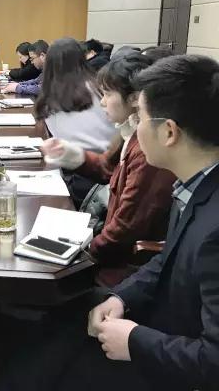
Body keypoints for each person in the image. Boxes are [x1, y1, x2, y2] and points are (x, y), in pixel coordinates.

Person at [1, 54, 219, 391]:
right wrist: (121, 298)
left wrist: (134, 340)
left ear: (169, 132)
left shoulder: (214, 226)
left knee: (49, 355)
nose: (134, 127)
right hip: (157, 325)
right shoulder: (193, 184)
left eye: (140, 117)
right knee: (53, 327)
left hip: (169, 357)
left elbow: (212, 361)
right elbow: (165, 261)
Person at [41, 53, 175, 283]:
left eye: (107, 94)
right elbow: (107, 169)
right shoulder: (128, 132)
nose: (102, 102)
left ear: (135, 99)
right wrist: (69, 154)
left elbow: (125, 229)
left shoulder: (147, 149)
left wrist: (83, 254)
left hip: (123, 270)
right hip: (110, 250)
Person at [34, 37, 116, 153]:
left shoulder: (51, 95)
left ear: (49, 64)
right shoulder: (98, 87)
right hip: (110, 155)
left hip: (75, 158)